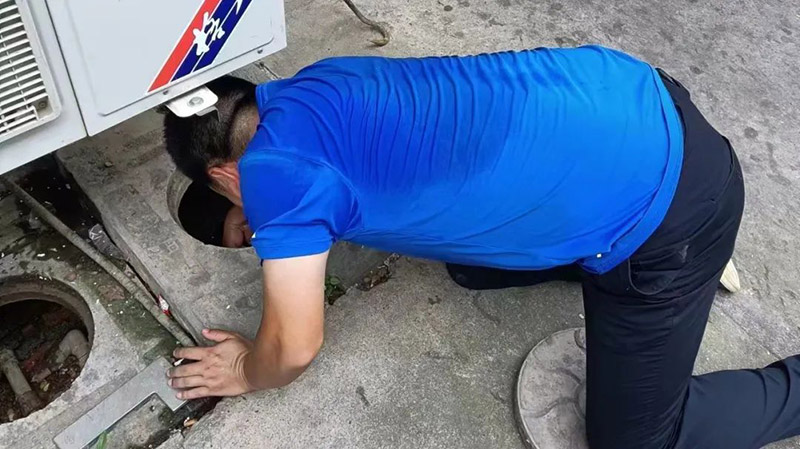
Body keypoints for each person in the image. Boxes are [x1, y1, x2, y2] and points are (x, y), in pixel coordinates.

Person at [162, 46, 800, 449]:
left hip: (672, 213)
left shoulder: (275, 176)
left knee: (633, 441)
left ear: (223, 176)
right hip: (630, 93)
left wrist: (245, 370)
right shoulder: (312, 85)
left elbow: (293, 347)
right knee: (470, 268)